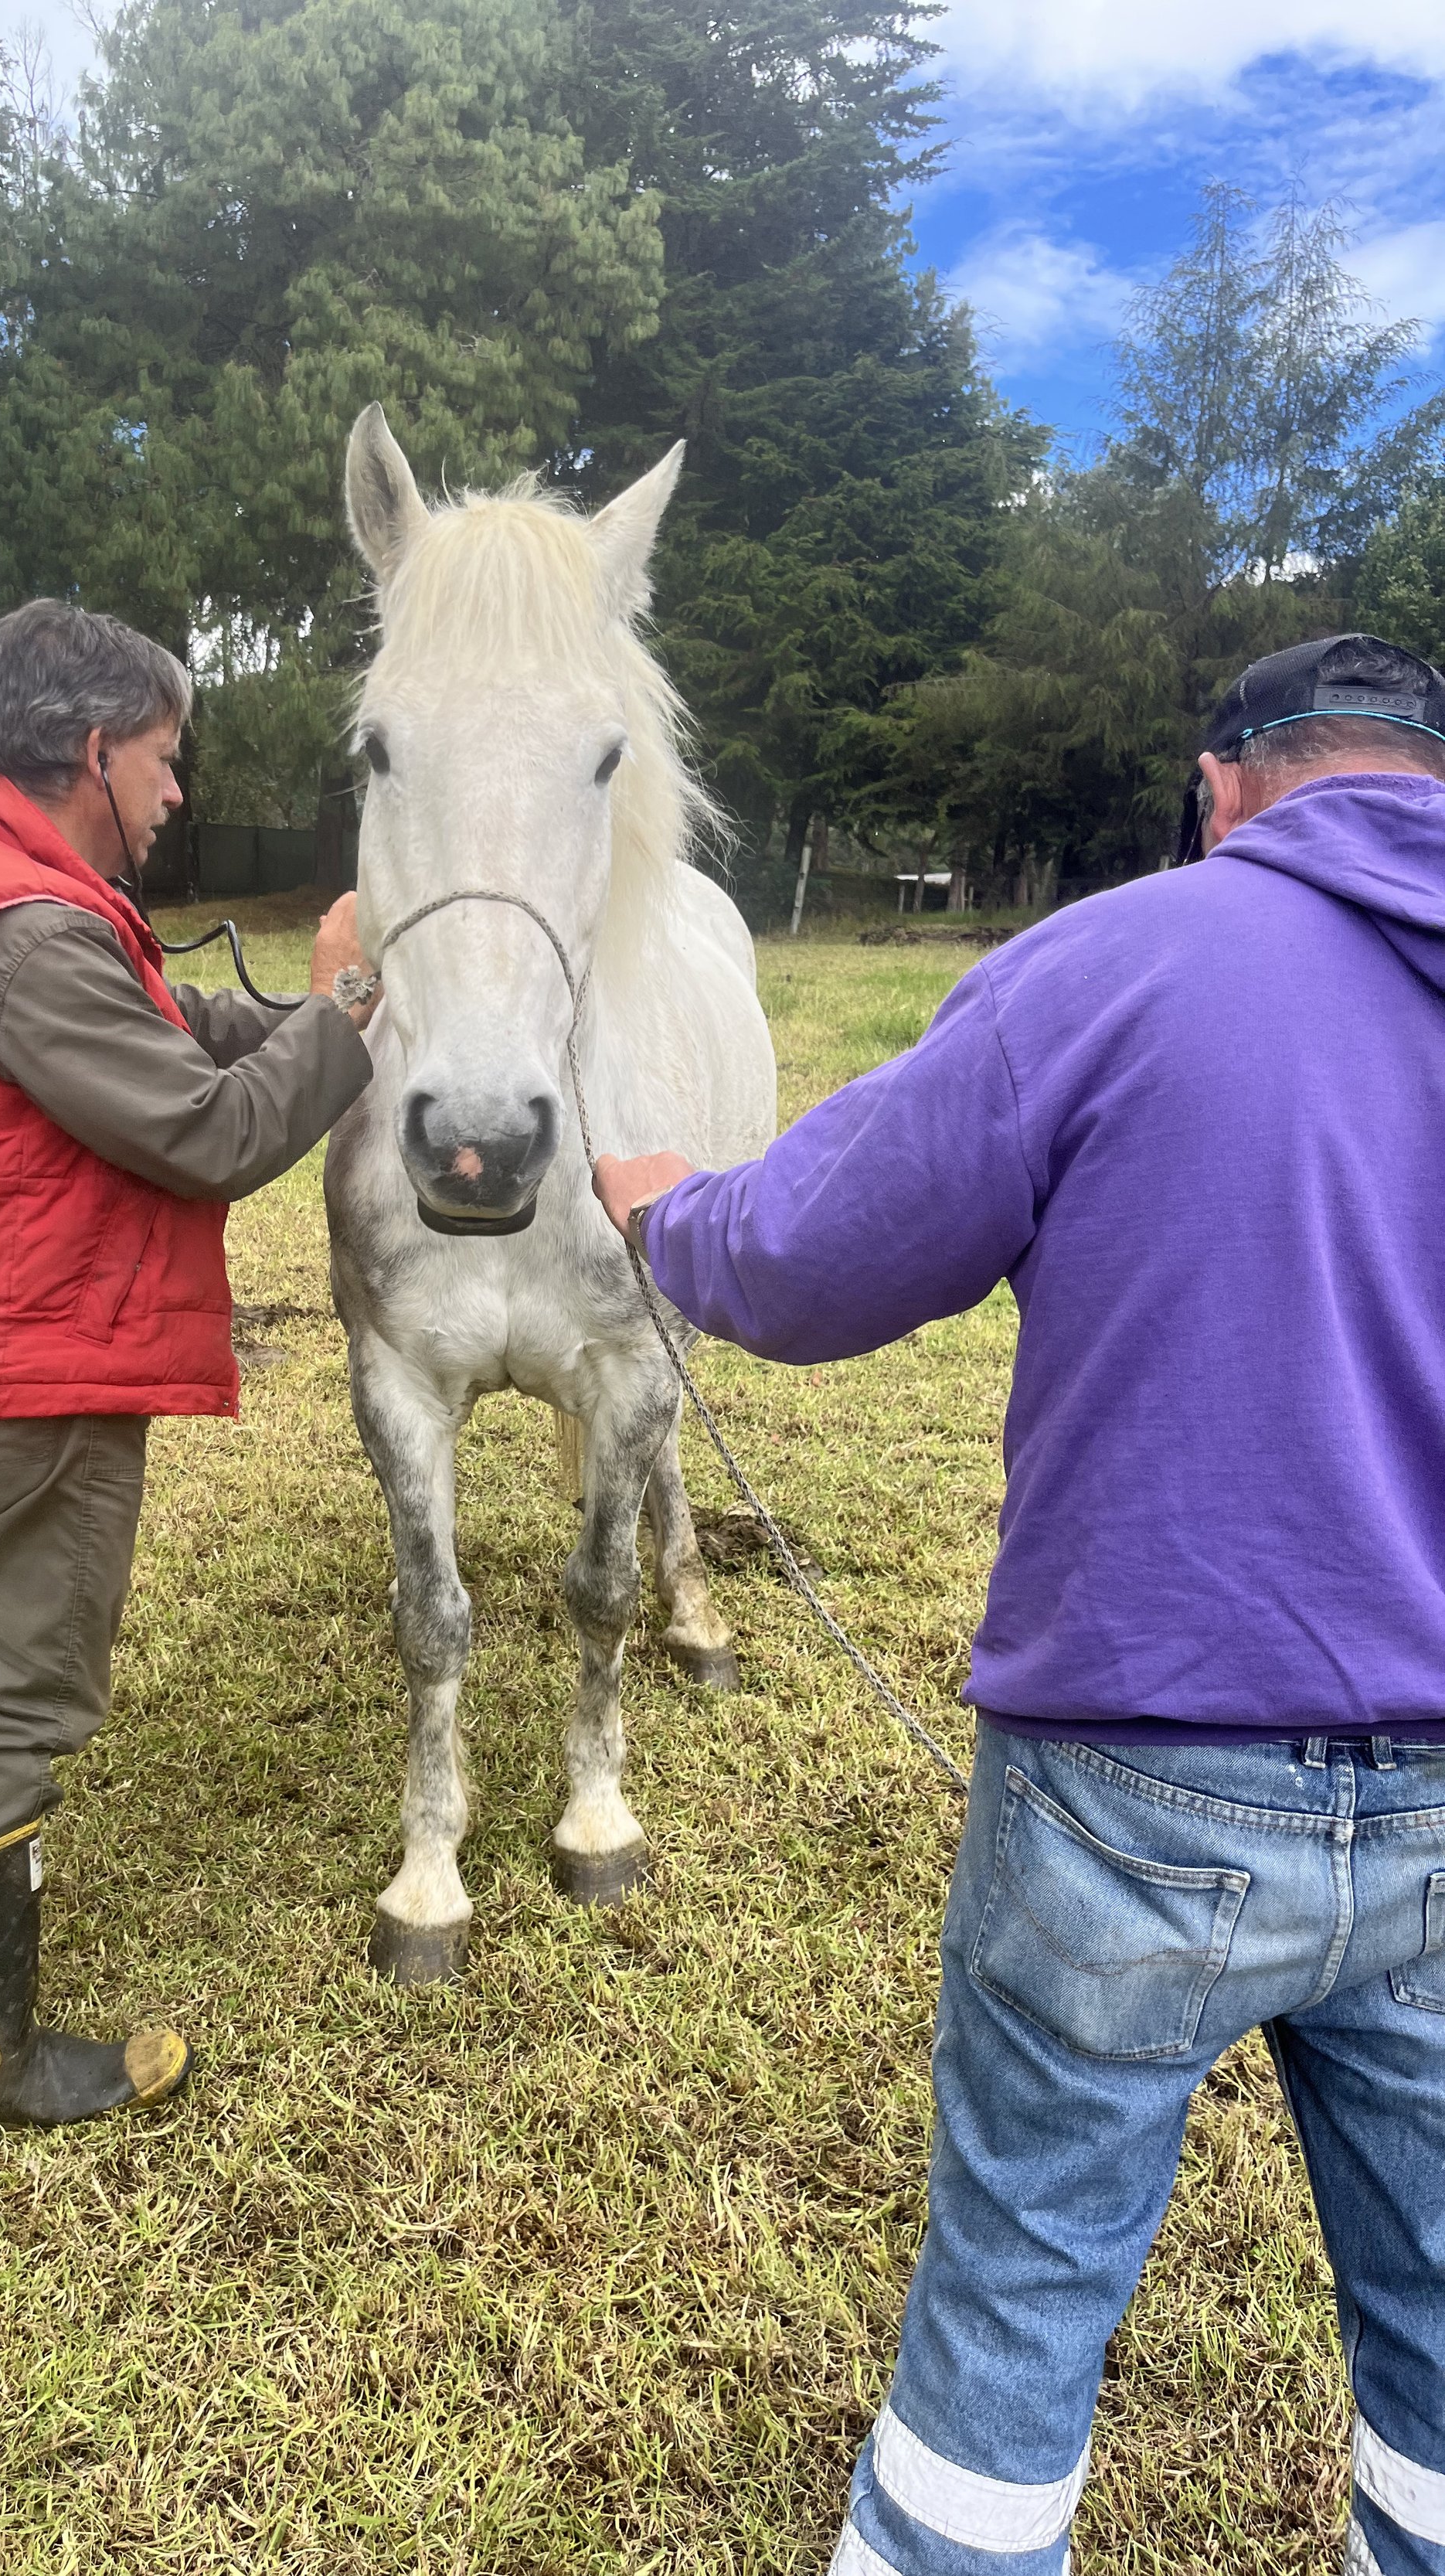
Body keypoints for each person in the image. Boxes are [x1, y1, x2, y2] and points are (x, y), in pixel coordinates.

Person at [593, 634, 1445, 2576]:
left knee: (1017, 2306)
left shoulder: (1126, 955)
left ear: (1221, 785)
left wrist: (663, 1207)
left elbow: (809, 1260)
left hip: (1139, 1769)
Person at [0, 598, 379, 2131]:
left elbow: (169, 1021)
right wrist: (338, 1006)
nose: (176, 787)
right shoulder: (24, 924)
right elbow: (206, 1135)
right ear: (95, 749)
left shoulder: (21, 886)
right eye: (163, 754)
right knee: (18, 1684)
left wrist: (303, 1020)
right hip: (32, 1368)